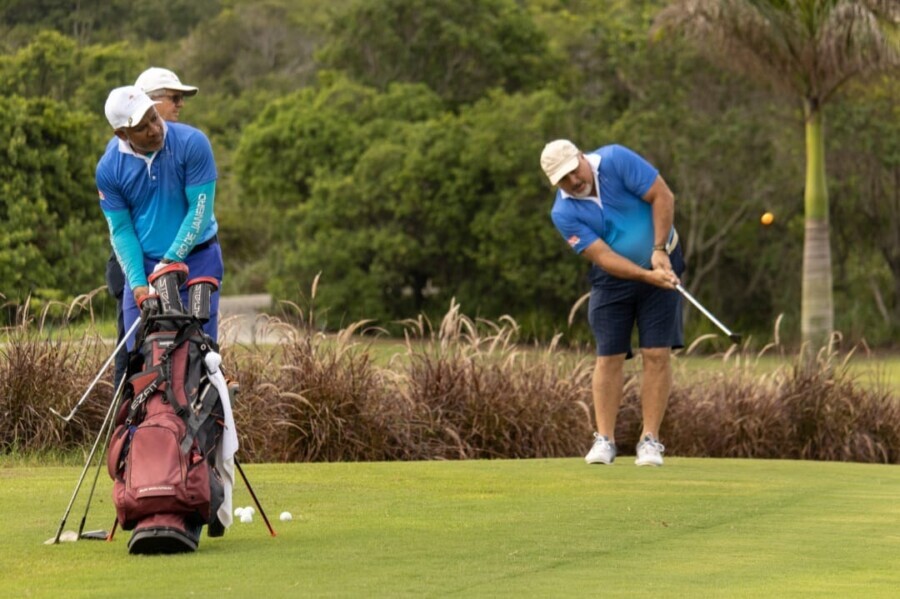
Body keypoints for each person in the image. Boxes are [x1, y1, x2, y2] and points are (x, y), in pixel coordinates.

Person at [540, 139, 684, 467]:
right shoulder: (563, 211)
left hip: (665, 263)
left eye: (574, 171)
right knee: (609, 355)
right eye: (563, 179)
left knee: (657, 353)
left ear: (581, 157)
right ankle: (605, 440)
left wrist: (659, 250)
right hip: (613, 280)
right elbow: (603, 257)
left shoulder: (616, 160)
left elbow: (663, 195)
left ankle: (650, 441)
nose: (573, 181)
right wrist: (645, 275)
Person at [97, 85, 222, 353]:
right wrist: (140, 284)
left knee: (201, 356)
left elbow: (198, 212)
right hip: (145, 265)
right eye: (142, 127)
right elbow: (121, 230)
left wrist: (169, 262)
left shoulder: (192, 143)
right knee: (142, 358)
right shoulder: (109, 168)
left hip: (197, 262)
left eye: (154, 116)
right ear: (122, 133)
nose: (155, 129)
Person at [104, 69, 200, 389]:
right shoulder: (114, 161)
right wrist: (140, 280)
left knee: (180, 342)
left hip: (167, 261)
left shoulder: (183, 145)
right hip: (133, 264)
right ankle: (127, 429)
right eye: (174, 98)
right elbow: (122, 228)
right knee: (133, 346)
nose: (180, 105)